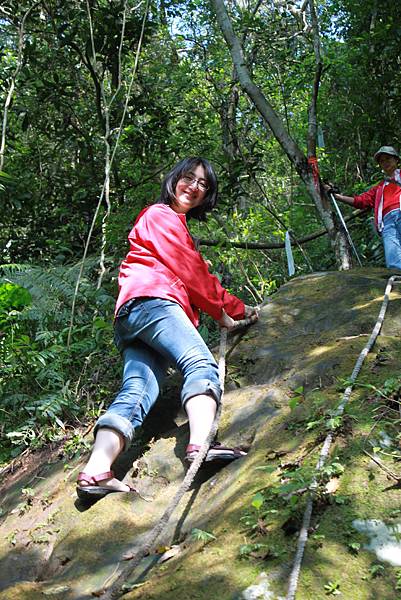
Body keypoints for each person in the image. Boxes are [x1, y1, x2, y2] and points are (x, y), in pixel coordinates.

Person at [76, 157, 259, 500]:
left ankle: (96, 471)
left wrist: (221, 317)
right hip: (153, 303)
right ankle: (201, 445)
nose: (194, 186)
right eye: (188, 178)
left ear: (208, 195)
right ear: (173, 180)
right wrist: (235, 308)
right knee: (200, 363)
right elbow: (192, 273)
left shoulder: (169, 223)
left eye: (203, 184)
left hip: (133, 315)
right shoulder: (161, 215)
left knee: (137, 391)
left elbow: (190, 279)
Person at [327, 146, 401, 269]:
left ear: (396, 160)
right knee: (393, 260)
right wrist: (337, 196)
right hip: (387, 222)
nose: (385, 162)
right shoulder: (379, 188)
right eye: (382, 161)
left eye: (388, 158)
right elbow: (360, 201)